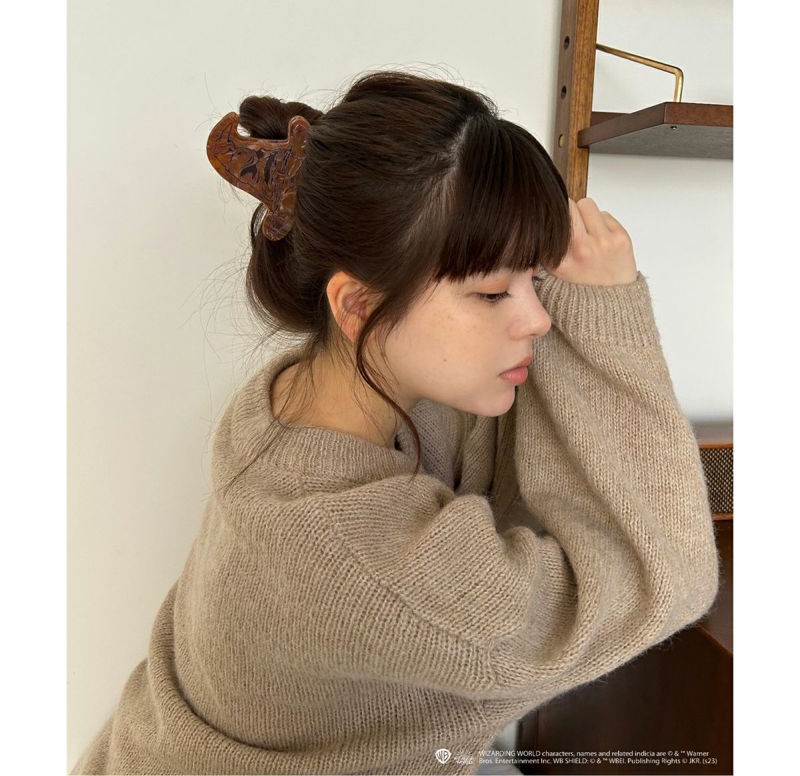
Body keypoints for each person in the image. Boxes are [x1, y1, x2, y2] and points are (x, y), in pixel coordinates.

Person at [70, 69, 720, 776]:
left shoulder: (295, 401)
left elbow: (506, 473)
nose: (537, 319)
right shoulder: (360, 558)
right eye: (492, 293)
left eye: (535, 279)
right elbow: (663, 578)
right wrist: (607, 310)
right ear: (357, 307)